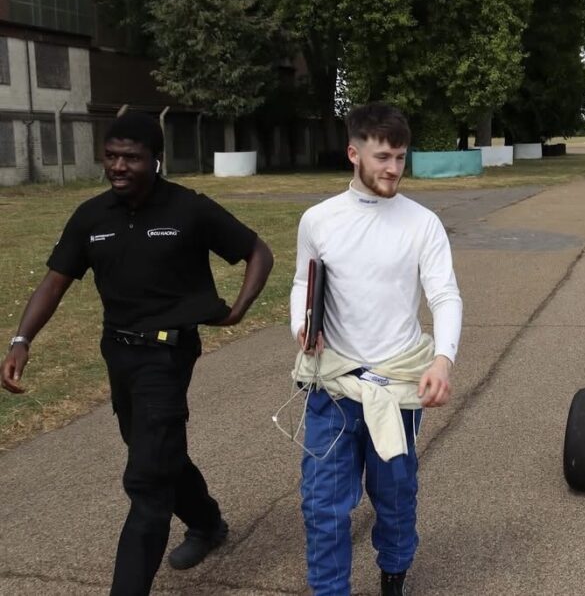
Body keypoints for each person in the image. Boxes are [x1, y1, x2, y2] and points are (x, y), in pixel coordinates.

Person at [1, 112, 274, 595]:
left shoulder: (189, 209)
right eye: (111, 156)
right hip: (118, 353)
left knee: (147, 482)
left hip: (168, 355)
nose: (118, 166)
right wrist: (22, 340)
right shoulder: (91, 216)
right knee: (156, 451)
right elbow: (55, 280)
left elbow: (257, 251)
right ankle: (208, 523)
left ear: (156, 159)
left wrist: (237, 310)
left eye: (131, 157)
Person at [289, 102, 462, 596]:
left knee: (395, 496)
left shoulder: (421, 223)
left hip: (398, 386)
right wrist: (301, 323)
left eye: (400, 158)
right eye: (383, 156)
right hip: (334, 384)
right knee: (323, 505)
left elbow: (445, 294)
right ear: (353, 153)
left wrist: (443, 360)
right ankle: (329, 590)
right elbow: (304, 280)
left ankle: (394, 572)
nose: (393, 169)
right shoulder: (318, 220)